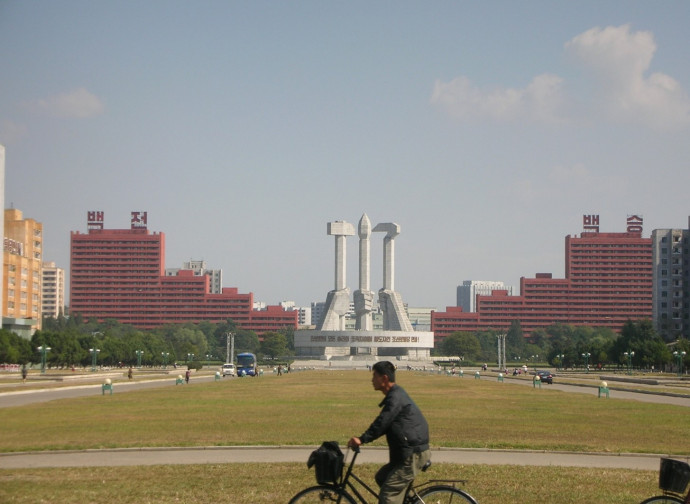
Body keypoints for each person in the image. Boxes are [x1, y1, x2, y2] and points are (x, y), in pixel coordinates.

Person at [347, 361, 430, 504]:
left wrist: (362, 439)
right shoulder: (395, 394)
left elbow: (382, 422)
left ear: (384, 378)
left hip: (412, 454)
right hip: (406, 452)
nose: (372, 380)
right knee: (382, 477)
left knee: (387, 496)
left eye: (374, 376)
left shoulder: (395, 398)